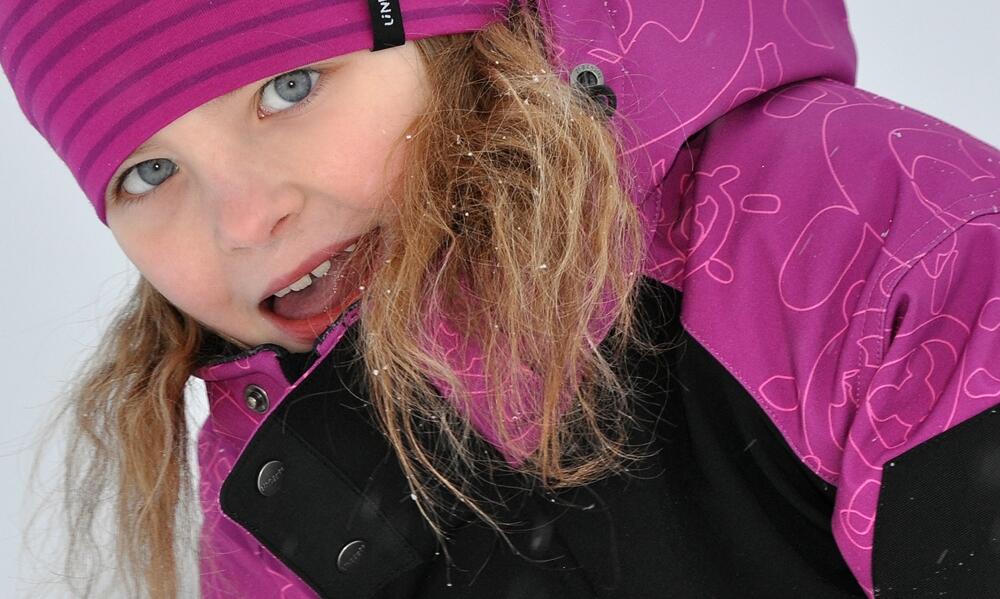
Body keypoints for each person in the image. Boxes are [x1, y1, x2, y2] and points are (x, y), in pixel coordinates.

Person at [2, 0, 998, 598]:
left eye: (291, 87)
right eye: (148, 173)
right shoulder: (286, 499)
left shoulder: (865, 234)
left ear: (451, 34)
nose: (245, 220)